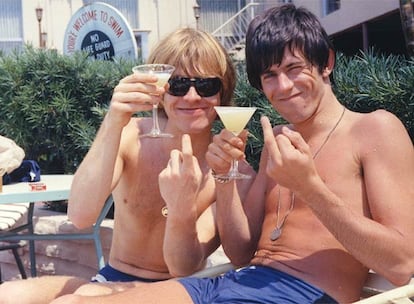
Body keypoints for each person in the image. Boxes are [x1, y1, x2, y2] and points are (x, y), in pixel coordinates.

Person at [48, 4, 414, 304]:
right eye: (269, 75)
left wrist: (310, 188)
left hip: (300, 293)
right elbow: (240, 253)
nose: (282, 86)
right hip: (232, 282)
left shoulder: (375, 129)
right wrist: (224, 177)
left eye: (294, 68)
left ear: (327, 63)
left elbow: (401, 264)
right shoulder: (278, 143)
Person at [0, 27, 251, 303]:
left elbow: (184, 267)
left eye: (206, 85)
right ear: (161, 91)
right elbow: (81, 215)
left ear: (222, 92)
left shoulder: (230, 168)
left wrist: (182, 205)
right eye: (177, 84)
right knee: (8, 294)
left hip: (175, 288)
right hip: (111, 277)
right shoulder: (131, 135)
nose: (192, 96)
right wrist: (114, 120)